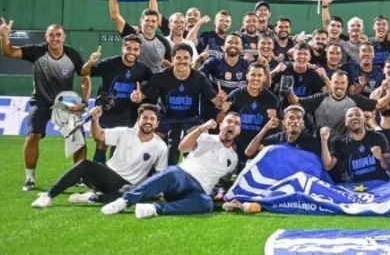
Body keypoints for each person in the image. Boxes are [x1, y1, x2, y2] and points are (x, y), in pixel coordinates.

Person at [0, 19, 90, 192]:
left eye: (58, 35)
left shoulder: (73, 54)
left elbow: (84, 77)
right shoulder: (37, 51)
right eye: (51, 34)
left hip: (66, 102)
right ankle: (29, 179)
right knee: (33, 135)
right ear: (46, 37)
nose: (55, 38)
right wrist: (4, 36)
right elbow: (9, 52)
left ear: (64, 37)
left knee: (78, 137)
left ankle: (79, 176)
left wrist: (84, 101)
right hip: (40, 100)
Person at [101, 113, 241, 218]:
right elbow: (182, 148)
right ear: (221, 125)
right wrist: (201, 129)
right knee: (172, 172)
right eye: (228, 121)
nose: (232, 125)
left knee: (207, 204)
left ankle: (154, 209)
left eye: (236, 123)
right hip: (182, 176)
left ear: (239, 130)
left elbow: (225, 180)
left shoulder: (233, 158)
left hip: (198, 191)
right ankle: (125, 201)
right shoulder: (205, 138)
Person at [31, 104, 167, 208]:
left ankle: (92, 197)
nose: (148, 121)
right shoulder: (125, 132)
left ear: (157, 123)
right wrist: (95, 120)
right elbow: (99, 135)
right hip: (108, 176)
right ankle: (48, 195)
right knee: (84, 165)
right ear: (138, 120)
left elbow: (160, 174)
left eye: (152, 119)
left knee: (130, 195)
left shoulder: (161, 146)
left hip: (128, 185)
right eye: (145, 117)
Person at [134, 43, 224, 165]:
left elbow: (216, 101)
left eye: (186, 58)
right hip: (165, 118)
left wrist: (221, 100)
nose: (182, 61)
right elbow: (141, 96)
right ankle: (148, 171)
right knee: (148, 139)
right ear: (172, 59)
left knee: (203, 138)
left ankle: (196, 171)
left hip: (190, 118)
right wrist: (137, 97)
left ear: (191, 60)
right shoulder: (161, 76)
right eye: (178, 58)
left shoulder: (199, 78)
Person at [80, 35, 153, 163]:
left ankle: (114, 176)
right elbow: (85, 72)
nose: (132, 52)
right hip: (106, 111)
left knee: (120, 146)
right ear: (122, 48)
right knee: (101, 143)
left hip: (127, 114)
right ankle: (97, 176)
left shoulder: (143, 69)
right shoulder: (109, 64)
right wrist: (91, 62)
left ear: (139, 51)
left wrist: (142, 94)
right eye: (128, 48)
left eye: (136, 49)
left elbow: (154, 85)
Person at [283, 70, 390, 140]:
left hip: (346, 146)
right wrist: (289, 91)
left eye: (342, 83)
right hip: (323, 145)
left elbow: (378, 105)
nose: (339, 86)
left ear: (347, 84)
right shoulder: (320, 98)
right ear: (330, 83)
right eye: (336, 82)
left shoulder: (355, 99)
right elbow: (297, 103)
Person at [218, 62, 279, 165]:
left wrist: (276, 119)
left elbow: (281, 126)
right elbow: (219, 122)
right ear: (247, 76)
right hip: (236, 143)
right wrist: (223, 110)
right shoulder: (235, 95)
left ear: (264, 78)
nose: (256, 78)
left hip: (259, 143)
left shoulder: (272, 99)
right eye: (253, 74)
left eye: (259, 75)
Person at [108, 0, 170, 73]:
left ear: (157, 23)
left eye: (153, 21)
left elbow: (169, 63)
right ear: (141, 21)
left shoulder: (164, 42)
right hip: (133, 83)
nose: (150, 23)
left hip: (154, 85)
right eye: (147, 20)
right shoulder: (132, 36)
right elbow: (115, 16)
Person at [321, 107, 390, 183]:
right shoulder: (340, 143)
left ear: (364, 119)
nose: (354, 117)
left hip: (380, 185)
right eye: (350, 115)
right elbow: (327, 166)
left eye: (358, 115)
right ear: (346, 122)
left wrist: (381, 157)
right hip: (355, 190)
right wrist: (324, 140)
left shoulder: (378, 137)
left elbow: (389, 167)